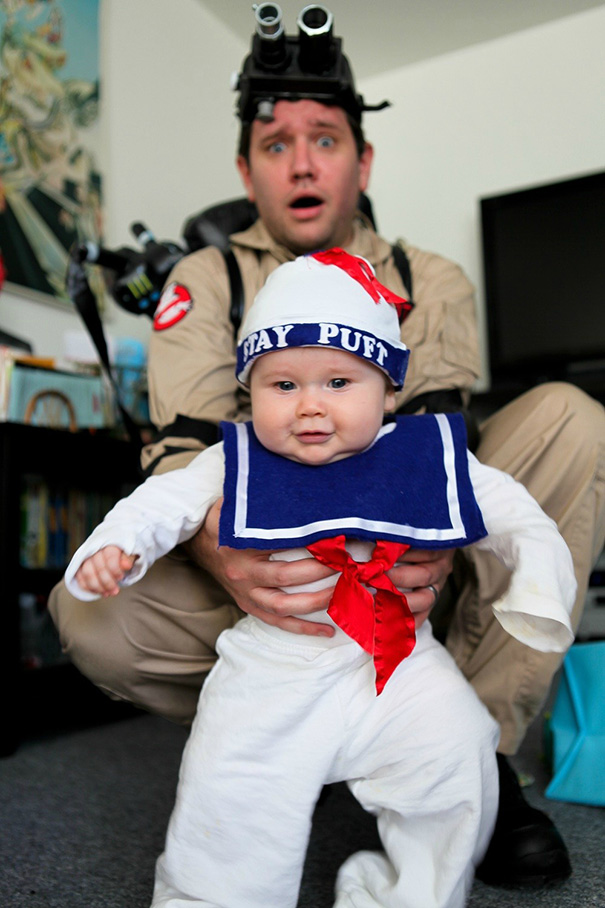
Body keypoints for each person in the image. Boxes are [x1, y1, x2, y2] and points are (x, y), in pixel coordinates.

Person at [49, 5, 605, 889]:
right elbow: (189, 458)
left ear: (362, 159)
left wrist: (421, 547)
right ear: (245, 167)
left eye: (325, 138)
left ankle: (473, 752)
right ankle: (290, 734)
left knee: (573, 415)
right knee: (87, 609)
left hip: (411, 562)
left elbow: (433, 443)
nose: (302, 162)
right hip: (268, 580)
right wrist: (219, 549)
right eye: (275, 145)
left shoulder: (429, 276)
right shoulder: (205, 279)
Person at [65, 250, 575, 908]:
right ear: (251, 393)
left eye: (338, 383)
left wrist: (534, 585)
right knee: (229, 799)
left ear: (388, 390)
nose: (309, 406)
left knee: (457, 755)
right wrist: (116, 547)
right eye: (282, 385)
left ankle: (410, 895)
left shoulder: (421, 454)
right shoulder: (237, 459)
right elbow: (158, 505)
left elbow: (518, 519)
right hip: (274, 669)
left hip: (398, 663)